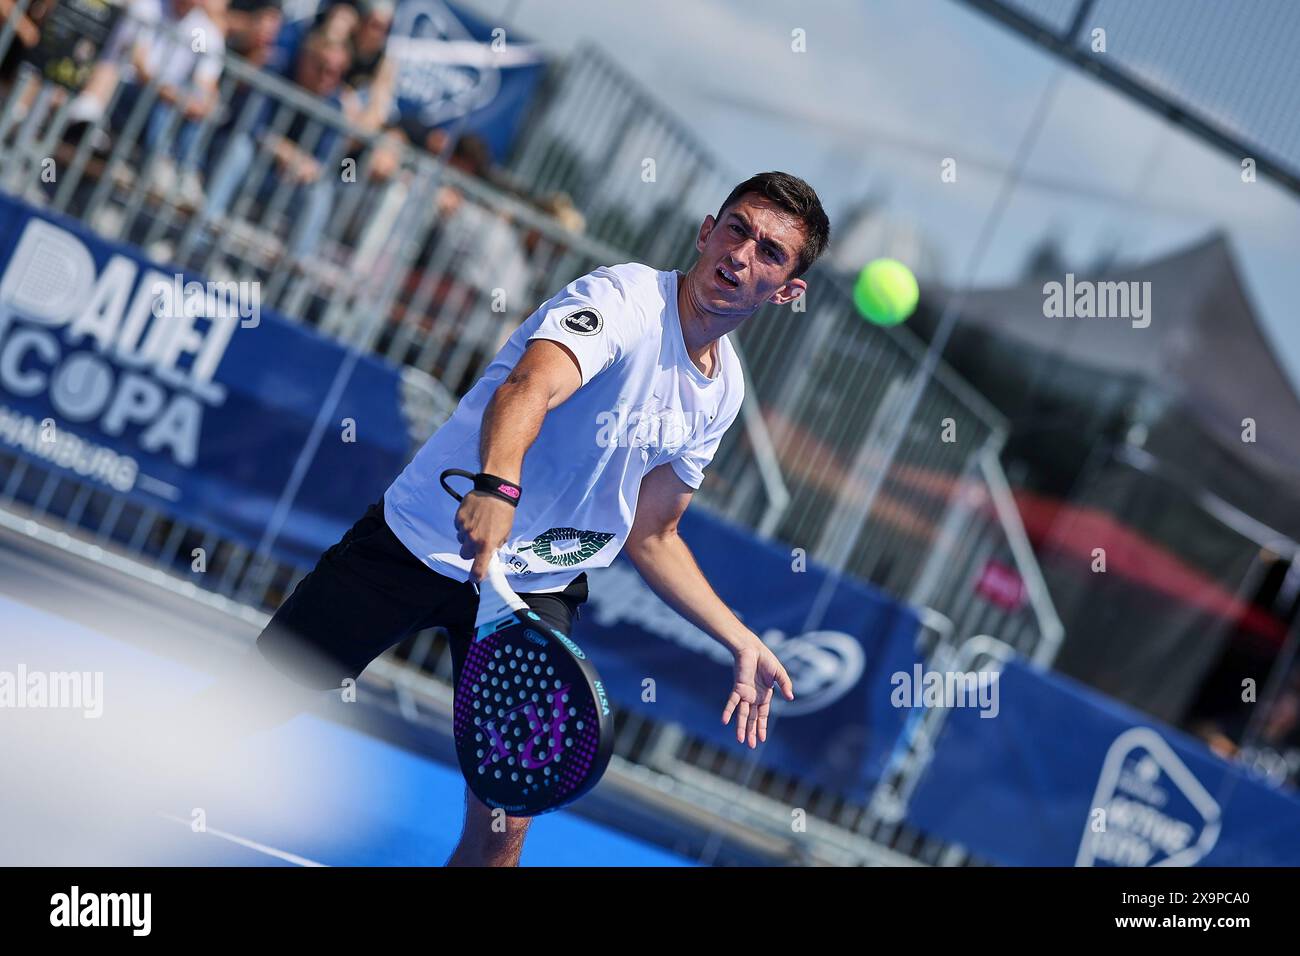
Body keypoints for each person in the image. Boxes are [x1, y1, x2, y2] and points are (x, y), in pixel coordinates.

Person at [191, 170, 830, 867]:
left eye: (770, 252)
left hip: (536, 593)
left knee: (507, 814)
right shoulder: (622, 299)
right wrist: (497, 487)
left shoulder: (722, 391)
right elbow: (530, 386)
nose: (742, 255)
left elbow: (654, 533)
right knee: (243, 711)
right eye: (736, 229)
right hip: (422, 544)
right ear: (707, 231)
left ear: (788, 290)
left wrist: (738, 638)